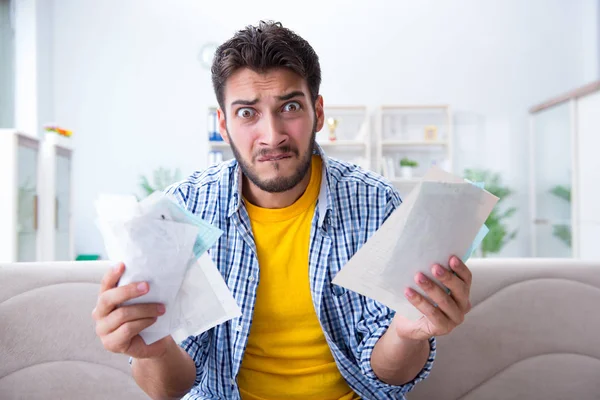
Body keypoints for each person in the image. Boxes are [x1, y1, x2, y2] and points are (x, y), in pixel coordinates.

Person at [92, 20, 473, 400]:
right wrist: (154, 350)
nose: (272, 135)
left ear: (318, 113)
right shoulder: (184, 211)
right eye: (247, 113)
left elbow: (388, 376)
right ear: (223, 125)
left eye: (289, 106)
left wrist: (406, 334)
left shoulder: (376, 204)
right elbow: (172, 388)